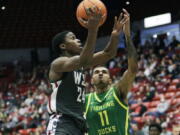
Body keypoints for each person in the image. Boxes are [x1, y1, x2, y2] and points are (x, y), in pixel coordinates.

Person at [46, 6, 128, 135]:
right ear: (63, 46)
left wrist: (115, 35)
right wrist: (93, 30)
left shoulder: (81, 65)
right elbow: (84, 60)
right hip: (62, 122)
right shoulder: (58, 64)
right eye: (72, 38)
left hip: (79, 125)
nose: (77, 40)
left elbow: (109, 54)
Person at [85, 9, 138, 135]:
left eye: (104, 72)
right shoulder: (85, 100)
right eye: (96, 72)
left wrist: (127, 35)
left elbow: (133, 69)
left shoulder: (118, 91)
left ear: (110, 79)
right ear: (91, 80)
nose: (100, 73)